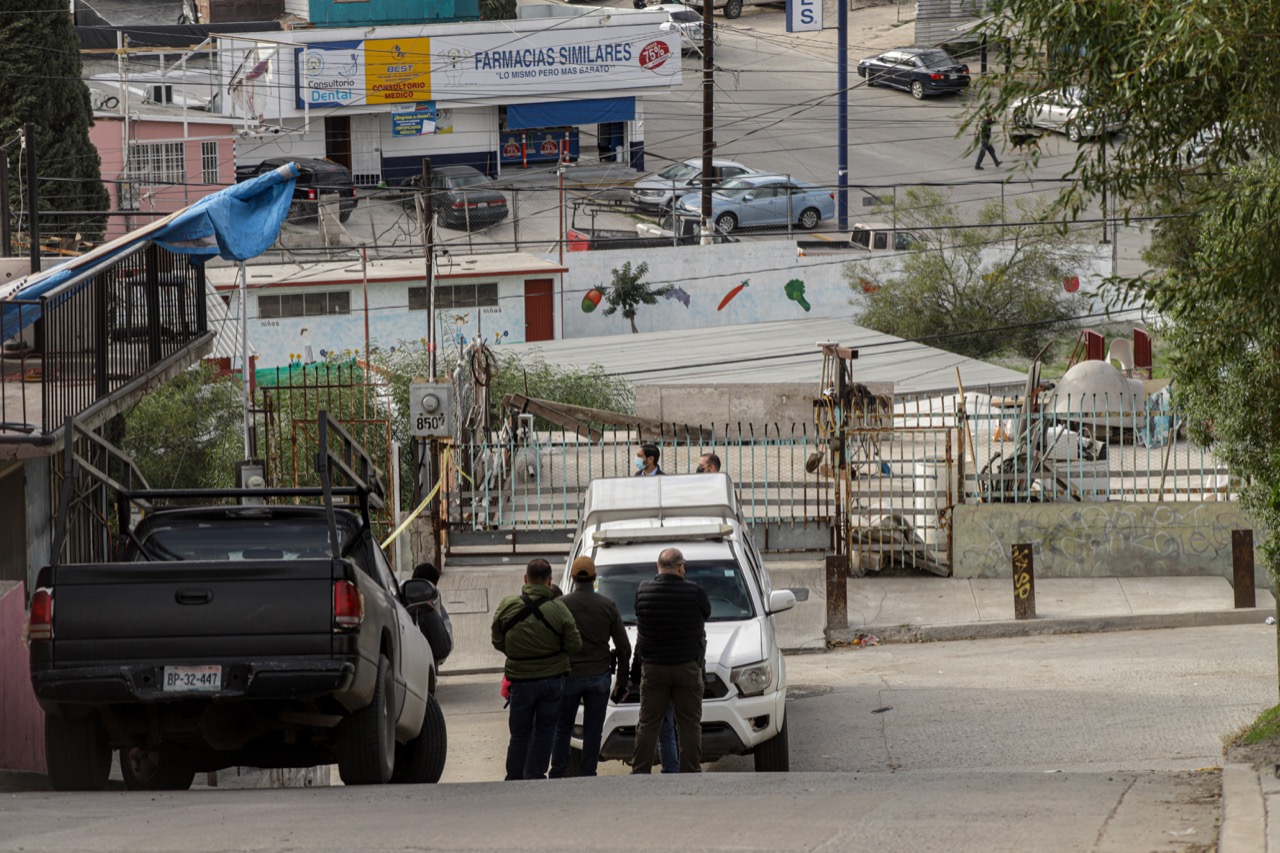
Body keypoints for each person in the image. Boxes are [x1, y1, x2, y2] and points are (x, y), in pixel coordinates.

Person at [491, 558, 582, 781]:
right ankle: (536, 775)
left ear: (525, 579)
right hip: (552, 681)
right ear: (550, 581)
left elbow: (497, 640)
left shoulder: (507, 606)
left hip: (520, 681)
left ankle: (513, 777)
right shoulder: (559, 610)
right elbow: (575, 645)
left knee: (519, 734)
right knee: (545, 731)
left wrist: (518, 655)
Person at [629, 547, 711, 774]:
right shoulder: (695, 592)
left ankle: (640, 772)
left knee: (648, 725)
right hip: (687, 668)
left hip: (654, 669)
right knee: (689, 726)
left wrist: (635, 672)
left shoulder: (642, 590)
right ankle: (690, 772)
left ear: (659, 567)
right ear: (681, 567)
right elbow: (706, 613)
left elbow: (640, 630)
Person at [549, 556, 632, 778]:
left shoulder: (560, 605)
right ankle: (588, 773)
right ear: (594, 578)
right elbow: (624, 648)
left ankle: (557, 771)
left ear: (572, 577)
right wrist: (622, 683)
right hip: (599, 676)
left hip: (568, 676)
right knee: (593, 729)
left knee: (563, 727)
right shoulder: (608, 605)